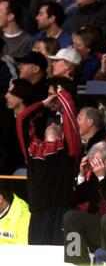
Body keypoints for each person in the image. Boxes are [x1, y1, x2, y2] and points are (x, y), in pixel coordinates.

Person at [16, 77, 81, 245]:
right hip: (38, 216)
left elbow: (71, 119)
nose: (53, 124)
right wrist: (44, 103)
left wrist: (62, 94)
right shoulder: (33, 151)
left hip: (63, 215)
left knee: (64, 259)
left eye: (57, 125)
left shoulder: (68, 150)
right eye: (50, 125)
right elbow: (22, 119)